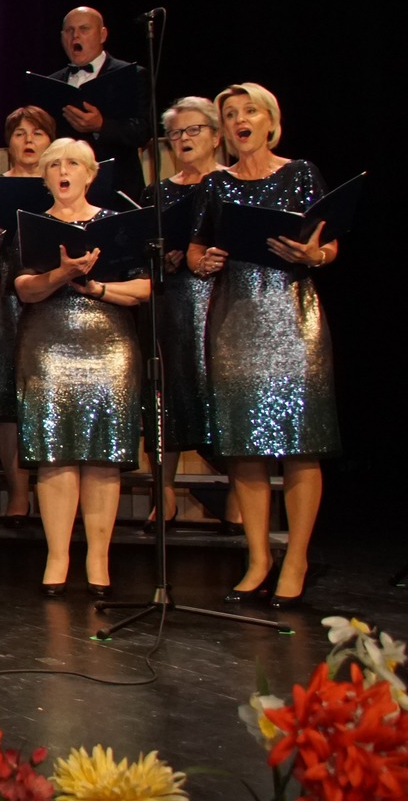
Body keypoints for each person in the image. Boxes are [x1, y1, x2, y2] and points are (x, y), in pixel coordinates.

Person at [189, 82, 339, 608]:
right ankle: (258, 558)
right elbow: (195, 250)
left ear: (270, 122)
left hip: (292, 316)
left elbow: (329, 243)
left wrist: (314, 255)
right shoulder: (216, 183)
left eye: (249, 111)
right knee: (244, 447)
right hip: (236, 317)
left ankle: (295, 558)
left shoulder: (300, 174)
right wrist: (203, 261)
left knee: (300, 444)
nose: (239, 120)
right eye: (230, 113)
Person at [14, 137, 149, 596]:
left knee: (102, 453)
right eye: (54, 165)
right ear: (45, 176)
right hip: (49, 346)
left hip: (109, 346)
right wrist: (63, 274)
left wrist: (99, 290)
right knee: (55, 452)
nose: (63, 171)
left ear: (90, 174)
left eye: (73, 164)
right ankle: (57, 557)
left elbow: (146, 288)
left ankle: (98, 559)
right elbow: (24, 289)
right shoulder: (33, 227)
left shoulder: (116, 223)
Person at [0, 106, 56, 520]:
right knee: (7, 398)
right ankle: (18, 493)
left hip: (52, 293)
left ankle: (57, 495)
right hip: (4, 295)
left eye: (37, 133)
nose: (28, 141)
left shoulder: (61, 182)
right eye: (20, 134)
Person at [150, 97, 224, 523]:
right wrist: (162, 256)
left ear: (216, 136)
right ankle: (164, 492)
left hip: (221, 297)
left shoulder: (230, 185)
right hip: (171, 299)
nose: (183, 139)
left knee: (216, 387)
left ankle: (236, 494)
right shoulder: (158, 192)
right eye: (176, 133)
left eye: (193, 130)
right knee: (169, 389)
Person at [50, 6, 150, 198]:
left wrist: (101, 126)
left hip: (117, 187)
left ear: (102, 35)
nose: (75, 36)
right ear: (62, 37)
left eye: (84, 29)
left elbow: (142, 131)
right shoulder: (52, 82)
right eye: (70, 31)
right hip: (66, 191)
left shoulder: (131, 75)